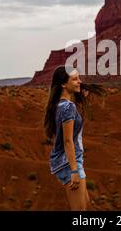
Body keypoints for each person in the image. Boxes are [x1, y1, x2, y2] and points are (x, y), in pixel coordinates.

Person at [43, 65, 105, 210]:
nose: (80, 82)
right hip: (69, 163)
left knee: (85, 206)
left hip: (69, 161)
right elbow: (68, 140)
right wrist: (74, 171)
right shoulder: (67, 107)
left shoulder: (61, 105)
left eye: (79, 78)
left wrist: (80, 98)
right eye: (75, 79)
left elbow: (75, 125)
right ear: (64, 84)